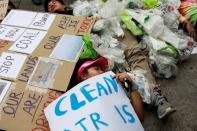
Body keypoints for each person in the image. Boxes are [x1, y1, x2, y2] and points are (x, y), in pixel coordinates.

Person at [76, 57, 144, 121]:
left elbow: (138, 118)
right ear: (84, 76)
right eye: (97, 69)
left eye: (101, 69)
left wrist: (131, 84)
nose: (102, 72)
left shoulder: (114, 89)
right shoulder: (79, 107)